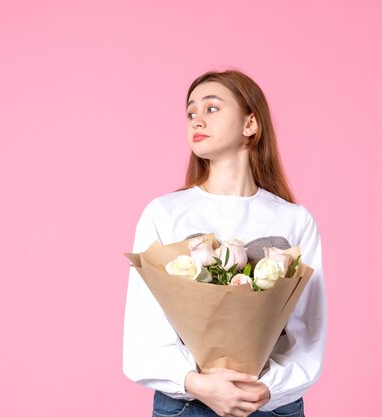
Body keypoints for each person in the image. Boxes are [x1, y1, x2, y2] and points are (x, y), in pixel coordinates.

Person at [123, 69, 327, 417]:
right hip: (188, 405)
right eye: (190, 113)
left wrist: (267, 388)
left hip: (272, 406)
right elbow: (143, 333)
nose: (196, 119)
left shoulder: (294, 220)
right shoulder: (165, 213)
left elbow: (306, 332)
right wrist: (197, 383)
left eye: (211, 108)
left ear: (250, 124)